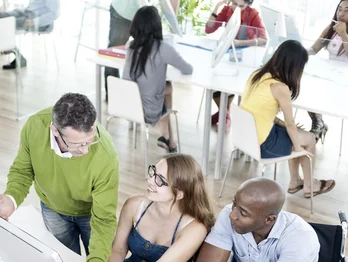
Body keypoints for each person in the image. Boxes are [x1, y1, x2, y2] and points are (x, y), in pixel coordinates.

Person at [0, 93, 119, 262]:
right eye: (77, 144)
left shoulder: (106, 156)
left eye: (89, 140)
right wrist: (12, 198)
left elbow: (104, 219)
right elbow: (23, 170)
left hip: (92, 214)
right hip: (53, 208)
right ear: (55, 131)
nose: (85, 150)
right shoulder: (34, 126)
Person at [159, 178, 330, 262]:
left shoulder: (300, 236)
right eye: (234, 204)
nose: (233, 215)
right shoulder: (229, 215)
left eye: (243, 213)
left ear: (269, 220)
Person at [109, 154, 215, 262]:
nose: (150, 180)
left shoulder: (194, 229)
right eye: (153, 173)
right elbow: (118, 250)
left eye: (160, 180)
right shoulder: (134, 205)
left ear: (179, 194)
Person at [240, 40, 335, 198]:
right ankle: (310, 185)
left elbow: (259, 111)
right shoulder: (279, 88)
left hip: (248, 136)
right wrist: (298, 149)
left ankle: (295, 182)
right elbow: (291, 124)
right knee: (309, 139)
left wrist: (283, 125)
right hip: (264, 145)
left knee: (297, 134)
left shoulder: (257, 75)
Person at [122, 6, 193, 153]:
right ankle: (166, 136)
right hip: (149, 111)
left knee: (166, 89)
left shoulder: (130, 46)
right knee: (168, 88)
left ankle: (167, 138)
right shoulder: (163, 48)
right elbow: (187, 69)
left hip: (128, 104)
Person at [205, 0, 268, 128]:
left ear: (248, 4)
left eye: (241, 6)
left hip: (245, 58)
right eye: (234, 3)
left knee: (232, 82)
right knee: (215, 80)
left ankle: (224, 113)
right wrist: (218, 6)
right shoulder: (227, 10)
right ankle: (224, 113)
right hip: (228, 55)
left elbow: (263, 40)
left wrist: (241, 43)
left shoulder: (253, 14)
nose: (236, 8)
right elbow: (208, 29)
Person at [104, 0, 180, 101]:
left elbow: (167, 5)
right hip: (123, 13)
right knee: (113, 54)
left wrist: (177, 32)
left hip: (143, 16)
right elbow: (142, 5)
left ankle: (142, 98)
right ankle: (113, 98)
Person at [0, 0, 60, 69]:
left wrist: (35, 21)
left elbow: (54, 14)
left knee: (4, 25)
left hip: (38, 20)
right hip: (27, 12)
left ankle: (17, 57)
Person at [305, 0, 348, 143]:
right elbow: (314, 49)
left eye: (346, 10)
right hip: (329, 74)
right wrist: (298, 51)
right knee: (306, 86)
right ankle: (318, 123)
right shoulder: (330, 29)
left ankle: (318, 126)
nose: (341, 13)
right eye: (339, 9)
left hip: (344, 80)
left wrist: (343, 34)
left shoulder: (341, 32)